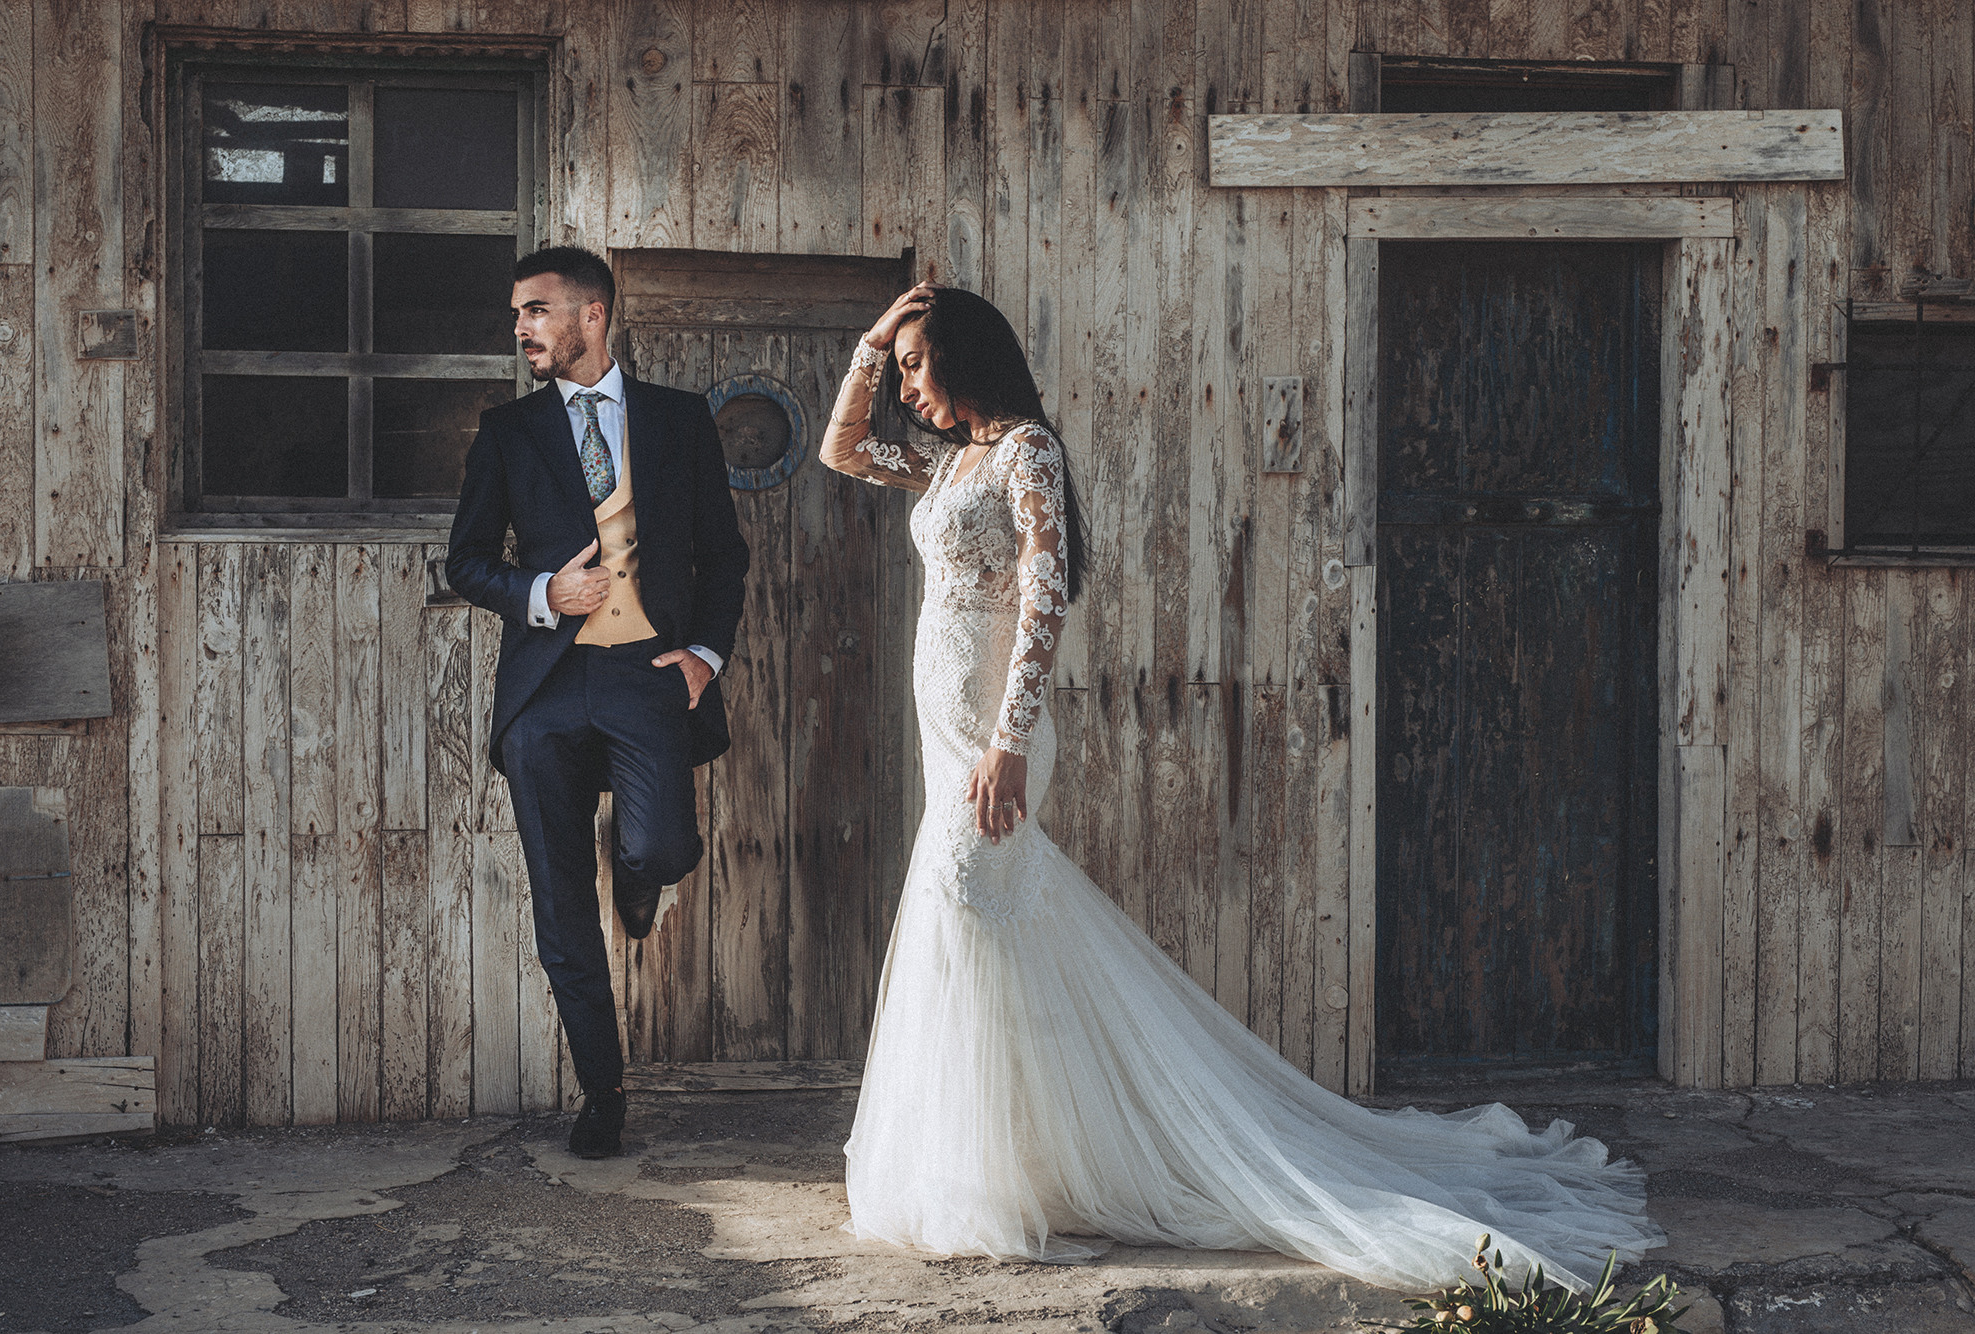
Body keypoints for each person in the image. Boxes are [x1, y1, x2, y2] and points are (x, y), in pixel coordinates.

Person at [817, 284, 1664, 1292]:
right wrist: (871, 341)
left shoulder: (1022, 451)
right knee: (982, 934)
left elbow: (1044, 594)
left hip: (992, 735)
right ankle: (1006, 1158)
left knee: (964, 907)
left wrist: (1007, 739)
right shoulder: (944, 459)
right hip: (940, 732)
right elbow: (837, 448)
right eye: (899, 367)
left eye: (916, 362)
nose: (904, 384)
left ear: (963, 354)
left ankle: (1016, 1164)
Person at [448, 246, 749, 1159]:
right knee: (559, 910)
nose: (521, 330)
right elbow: (465, 562)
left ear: (592, 314)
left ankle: (639, 873)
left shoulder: (677, 419)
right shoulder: (507, 433)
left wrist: (702, 654)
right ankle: (603, 1091)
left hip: (646, 675)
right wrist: (544, 592)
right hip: (543, 692)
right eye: (516, 315)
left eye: (536, 311)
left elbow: (723, 555)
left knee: (659, 843)